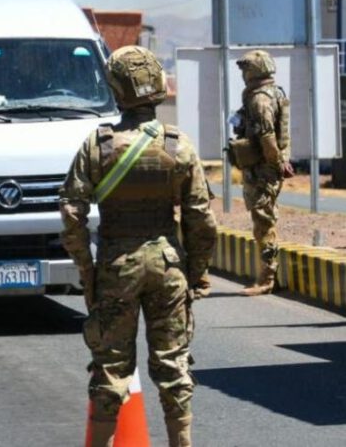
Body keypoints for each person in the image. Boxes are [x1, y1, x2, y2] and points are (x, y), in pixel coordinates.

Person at [58, 46, 218, 447]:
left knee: (110, 368)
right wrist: (197, 273)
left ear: (117, 90)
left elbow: (72, 214)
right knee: (173, 366)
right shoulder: (178, 145)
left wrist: (87, 271)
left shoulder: (99, 145)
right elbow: (202, 219)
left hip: (117, 266)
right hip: (168, 267)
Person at [232, 49, 293, 296]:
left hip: (263, 169)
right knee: (263, 220)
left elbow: (267, 136)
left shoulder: (260, 99)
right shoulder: (272, 93)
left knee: (263, 222)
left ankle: (267, 278)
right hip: (265, 166)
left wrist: (277, 163)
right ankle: (268, 274)